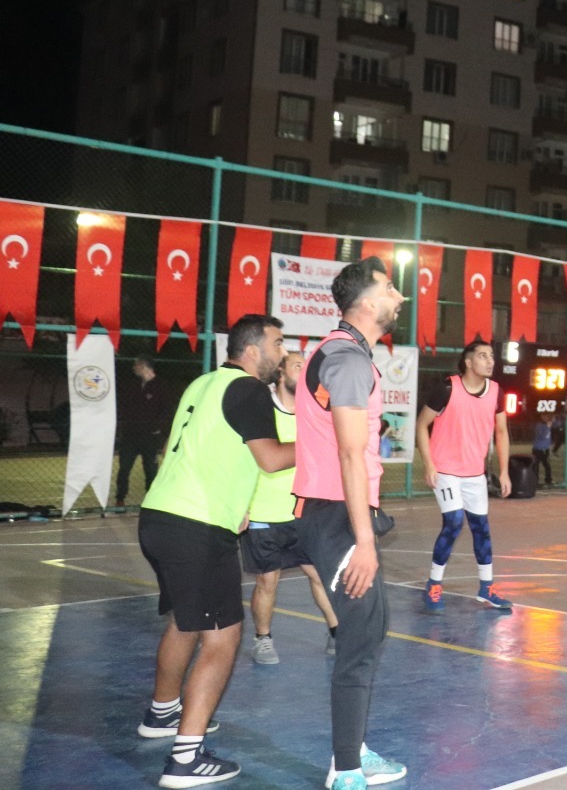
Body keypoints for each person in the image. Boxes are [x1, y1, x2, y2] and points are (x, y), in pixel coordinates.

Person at [136, 315, 294, 787]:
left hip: (159, 516)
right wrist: (322, 445)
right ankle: (186, 758)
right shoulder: (249, 390)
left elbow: (209, 449)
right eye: (278, 343)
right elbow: (269, 458)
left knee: (186, 621)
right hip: (196, 527)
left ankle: (163, 714)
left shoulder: (203, 383)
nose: (283, 352)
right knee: (222, 637)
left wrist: (238, 503)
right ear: (252, 350)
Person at [292, 256, 408, 790]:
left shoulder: (345, 354)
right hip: (337, 518)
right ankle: (346, 771)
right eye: (389, 287)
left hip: (335, 514)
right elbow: (348, 455)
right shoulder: (346, 359)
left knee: (370, 631)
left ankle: (353, 751)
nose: (399, 295)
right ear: (366, 302)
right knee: (360, 640)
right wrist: (364, 539)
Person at [243, 349, 339, 665]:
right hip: (262, 512)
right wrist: (241, 504)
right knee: (267, 580)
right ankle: (263, 639)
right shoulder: (261, 410)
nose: (305, 371)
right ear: (281, 372)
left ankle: (338, 633)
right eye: (298, 365)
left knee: (319, 574)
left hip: (302, 513)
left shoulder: (312, 414)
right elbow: (245, 460)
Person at [416, 340, 513, 613]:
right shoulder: (447, 388)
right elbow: (421, 425)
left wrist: (504, 472)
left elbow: (502, 433)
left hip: (474, 475)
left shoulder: (496, 392)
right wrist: (429, 465)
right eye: (482, 356)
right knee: (455, 521)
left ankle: (486, 588)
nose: (490, 360)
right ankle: (434, 583)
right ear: (468, 362)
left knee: (481, 528)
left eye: (491, 356)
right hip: (446, 470)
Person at [117, 356, 173, 508]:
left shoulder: (161, 386)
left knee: (150, 469)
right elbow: (124, 406)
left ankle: (150, 500)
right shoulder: (133, 385)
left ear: (144, 366)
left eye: (136, 365)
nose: (134, 368)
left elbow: (167, 410)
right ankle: (120, 499)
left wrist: (157, 428)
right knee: (124, 468)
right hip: (130, 436)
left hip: (149, 437)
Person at [531, 413, 554, 487]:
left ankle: (548, 480)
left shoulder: (548, 425)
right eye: (544, 416)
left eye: (547, 416)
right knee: (536, 466)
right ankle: (535, 481)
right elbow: (542, 436)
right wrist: (547, 428)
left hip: (545, 449)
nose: (546, 418)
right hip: (538, 449)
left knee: (547, 466)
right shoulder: (539, 425)